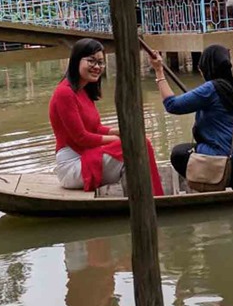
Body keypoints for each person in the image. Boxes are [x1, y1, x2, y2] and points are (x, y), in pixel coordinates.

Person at [49, 38, 164, 194]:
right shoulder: (65, 93)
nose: (97, 67)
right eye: (91, 61)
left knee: (139, 141)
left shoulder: (83, 90)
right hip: (73, 166)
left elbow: (96, 128)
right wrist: (122, 141)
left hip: (86, 155)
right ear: (76, 60)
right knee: (135, 145)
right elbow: (81, 137)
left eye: (100, 62)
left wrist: (126, 132)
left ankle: (148, 195)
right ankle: (148, 196)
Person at [149, 44, 233, 189]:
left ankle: (213, 185)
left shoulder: (211, 88)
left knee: (179, 154)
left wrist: (159, 71)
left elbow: (172, 105)